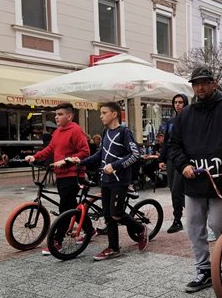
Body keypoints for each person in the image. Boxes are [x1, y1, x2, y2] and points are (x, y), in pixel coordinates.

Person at [170, 66, 222, 292]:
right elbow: (174, 145)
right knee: (194, 228)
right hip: (193, 181)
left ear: (214, 83)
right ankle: (204, 271)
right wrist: (183, 164)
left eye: (204, 82)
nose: (200, 87)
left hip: (221, 180)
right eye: (196, 84)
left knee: (219, 224)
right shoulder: (185, 115)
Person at [71, 102, 147, 261]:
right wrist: (81, 162)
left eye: (104, 112)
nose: (101, 116)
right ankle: (113, 248)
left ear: (114, 114)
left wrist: (115, 166)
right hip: (105, 180)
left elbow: (135, 155)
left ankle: (141, 229)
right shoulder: (105, 132)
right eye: (101, 113)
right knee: (108, 216)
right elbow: (100, 155)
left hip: (119, 180)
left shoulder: (124, 132)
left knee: (116, 213)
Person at [24, 103, 90, 255]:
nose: (56, 117)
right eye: (56, 114)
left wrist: (66, 160)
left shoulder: (76, 130)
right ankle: (89, 229)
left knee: (65, 208)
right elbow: (50, 149)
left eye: (60, 114)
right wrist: (34, 157)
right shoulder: (58, 132)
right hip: (60, 175)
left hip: (74, 175)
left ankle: (57, 241)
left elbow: (85, 152)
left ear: (69, 116)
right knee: (71, 205)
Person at [158, 94, 189, 234]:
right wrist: (161, 159)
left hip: (184, 159)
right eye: (175, 102)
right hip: (171, 158)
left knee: (177, 188)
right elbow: (166, 142)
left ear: (185, 103)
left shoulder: (190, 119)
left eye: (181, 102)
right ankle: (179, 217)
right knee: (173, 189)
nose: (178, 105)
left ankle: (178, 219)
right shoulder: (170, 121)